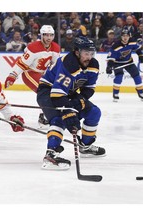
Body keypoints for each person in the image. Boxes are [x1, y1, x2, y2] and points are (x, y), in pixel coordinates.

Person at [36, 36, 106, 170]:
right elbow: (57, 95)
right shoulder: (69, 64)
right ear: (77, 52)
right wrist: (69, 113)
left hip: (68, 93)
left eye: (92, 53)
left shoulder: (93, 65)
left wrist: (80, 100)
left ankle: (85, 146)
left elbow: (89, 88)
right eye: (86, 53)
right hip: (48, 91)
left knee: (94, 112)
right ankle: (51, 155)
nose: (89, 57)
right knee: (59, 119)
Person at [4, 25, 60, 127]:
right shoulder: (33, 48)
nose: (49, 38)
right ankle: (44, 117)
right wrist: (12, 76)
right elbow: (21, 64)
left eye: (51, 35)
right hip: (30, 73)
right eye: (46, 35)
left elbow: (55, 65)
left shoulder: (56, 47)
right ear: (41, 35)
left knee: (53, 92)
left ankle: (44, 115)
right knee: (45, 92)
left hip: (43, 74)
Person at [106, 29, 143, 102]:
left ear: (129, 36)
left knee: (137, 76)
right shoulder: (116, 45)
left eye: (127, 36)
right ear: (121, 37)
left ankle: (141, 93)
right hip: (117, 63)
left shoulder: (132, 41)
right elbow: (110, 58)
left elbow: (137, 49)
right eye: (123, 36)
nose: (125, 37)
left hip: (129, 62)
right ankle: (115, 94)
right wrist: (109, 66)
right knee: (119, 77)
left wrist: (141, 56)